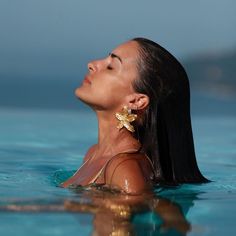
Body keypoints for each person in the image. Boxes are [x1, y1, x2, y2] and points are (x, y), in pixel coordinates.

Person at [61, 37, 210, 194]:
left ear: (137, 101)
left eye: (111, 67)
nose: (92, 64)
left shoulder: (124, 168)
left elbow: (131, 211)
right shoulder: (93, 154)